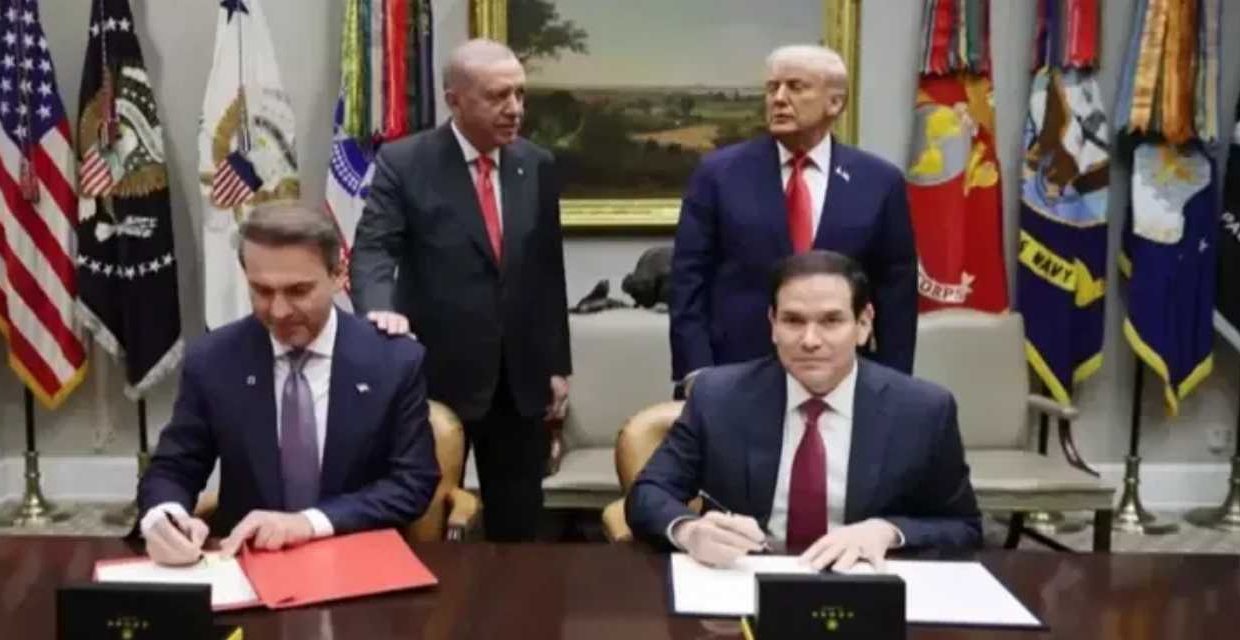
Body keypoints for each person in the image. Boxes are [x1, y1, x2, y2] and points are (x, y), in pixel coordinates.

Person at [629, 251, 979, 570]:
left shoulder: (923, 410)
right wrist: (689, 531)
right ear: (773, 324)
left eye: (831, 321)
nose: (810, 340)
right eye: (793, 321)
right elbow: (648, 494)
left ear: (863, 324)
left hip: (864, 581)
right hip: (745, 580)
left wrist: (888, 531)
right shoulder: (719, 397)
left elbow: (963, 527)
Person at [349, 39, 571, 542]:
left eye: (519, 94)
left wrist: (557, 364)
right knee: (419, 520)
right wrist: (379, 310)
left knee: (519, 529)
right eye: (497, 96)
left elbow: (547, 271)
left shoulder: (535, 163)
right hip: (435, 375)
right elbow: (374, 250)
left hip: (518, 382)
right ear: (454, 99)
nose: (514, 109)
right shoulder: (406, 162)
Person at [138, 203, 439, 566]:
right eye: (262, 291)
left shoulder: (393, 360)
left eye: (298, 291)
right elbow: (174, 467)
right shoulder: (214, 360)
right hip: (249, 565)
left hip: (359, 563)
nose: (279, 311)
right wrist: (165, 517)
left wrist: (308, 523)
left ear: (338, 275)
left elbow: (413, 482)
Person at [670, 44, 917, 393]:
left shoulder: (879, 181)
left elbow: (896, 294)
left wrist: (893, 386)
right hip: (735, 376)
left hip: (841, 378)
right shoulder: (719, 174)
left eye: (796, 87)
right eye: (772, 88)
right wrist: (696, 372)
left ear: (835, 103)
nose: (779, 99)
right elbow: (688, 280)